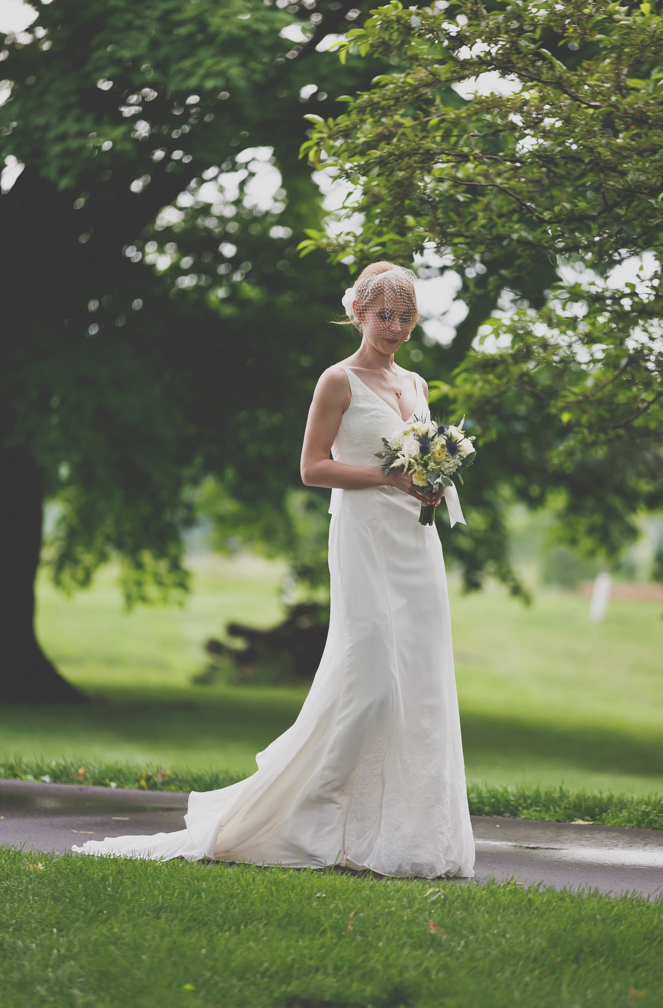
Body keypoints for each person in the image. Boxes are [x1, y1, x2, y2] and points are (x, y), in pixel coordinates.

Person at [74, 261, 475, 879]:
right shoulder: (337, 381)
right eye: (382, 315)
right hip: (364, 536)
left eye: (405, 316)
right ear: (358, 314)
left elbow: (417, 463)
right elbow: (313, 468)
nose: (394, 327)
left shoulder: (417, 383)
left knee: (418, 683)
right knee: (369, 680)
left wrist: (429, 483)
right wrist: (388, 477)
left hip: (415, 547)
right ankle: (312, 821)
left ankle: (402, 836)